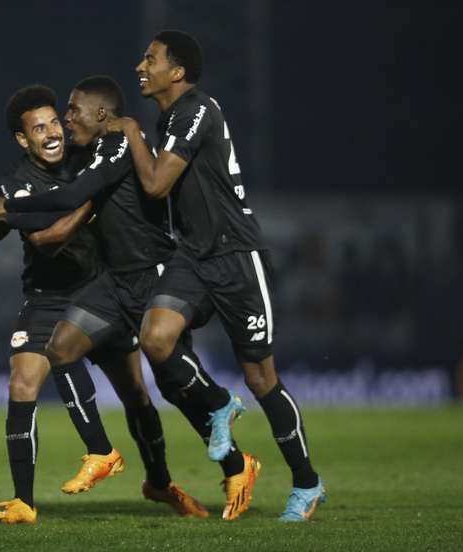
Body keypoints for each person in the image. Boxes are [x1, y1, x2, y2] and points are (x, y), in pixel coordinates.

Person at [0, 76, 259, 521]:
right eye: (41, 128)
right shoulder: (18, 182)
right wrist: (14, 217)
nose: (54, 131)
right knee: (23, 382)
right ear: (23, 140)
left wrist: (70, 202)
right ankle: (28, 498)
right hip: (50, 297)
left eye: (58, 122)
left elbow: (82, 197)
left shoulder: (90, 152)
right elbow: (48, 239)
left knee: (147, 393)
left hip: (105, 287)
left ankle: (168, 481)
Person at [107, 30, 326, 522]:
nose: (141, 65)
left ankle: (307, 484)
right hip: (194, 258)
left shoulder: (197, 108)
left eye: (151, 58)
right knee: (156, 338)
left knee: (262, 377)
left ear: (177, 72)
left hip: (237, 256)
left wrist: (131, 134)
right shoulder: (170, 118)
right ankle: (219, 404)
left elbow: (158, 184)